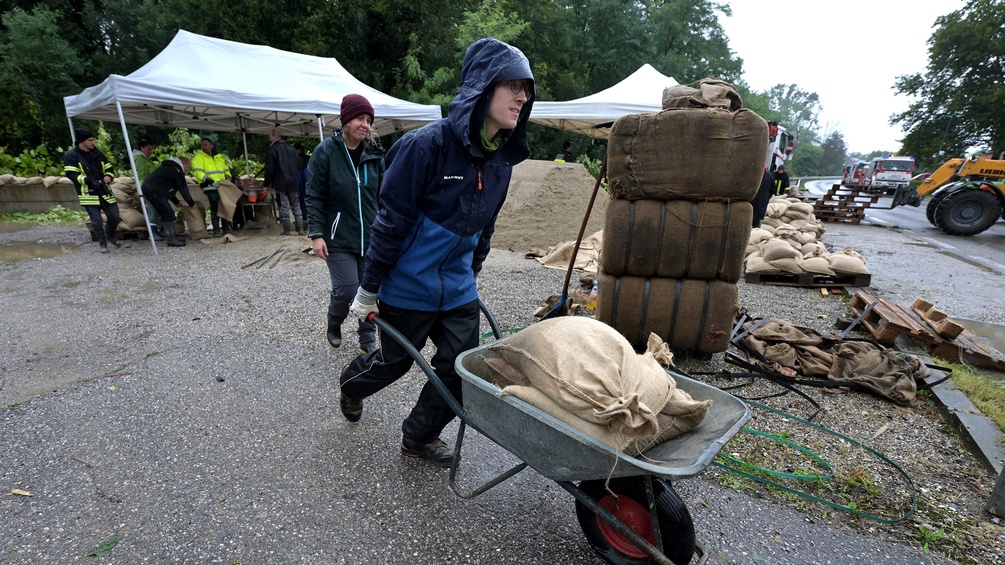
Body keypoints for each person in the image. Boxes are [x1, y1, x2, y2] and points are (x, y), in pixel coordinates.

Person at [338, 38, 535, 467]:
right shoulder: (425, 146)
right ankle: (352, 386)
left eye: (526, 88)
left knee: (463, 370)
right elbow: (390, 223)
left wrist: (472, 272)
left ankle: (418, 436)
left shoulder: (501, 160)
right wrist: (368, 288)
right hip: (409, 288)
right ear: (483, 87)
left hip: (458, 290)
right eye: (513, 85)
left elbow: (486, 227)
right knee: (393, 365)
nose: (523, 96)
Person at [306, 94, 385, 353]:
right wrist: (317, 234)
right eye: (360, 118)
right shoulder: (326, 152)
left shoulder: (375, 153)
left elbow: (384, 195)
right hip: (338, 237)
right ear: (346, 120)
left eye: (369, 120)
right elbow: (314, 195)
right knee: (347, 288)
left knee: (369, 290)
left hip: (371, 236)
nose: (365, 124)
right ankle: (334, 320)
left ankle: (367, 341)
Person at [63, 128, 121, 253]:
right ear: (81, 141)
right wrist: (89, 181)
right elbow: (72, 175)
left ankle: (110, 235)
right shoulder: (70, 156)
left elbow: (109, 167)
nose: (92, 143)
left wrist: (109, 176)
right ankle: (102, 243)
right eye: (90, 140)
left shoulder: (98, 153)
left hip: (104, 191)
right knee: (97, 221)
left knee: (115, 216)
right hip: (88, 193)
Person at [141, 156, 195, 247]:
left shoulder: (169, 168)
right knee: (168, 213)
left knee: (161, 212)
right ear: (183, 164)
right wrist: (191, 203)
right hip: (154, 191)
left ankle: (170, 236)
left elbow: (167, 187)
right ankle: (171, 239)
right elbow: (183, 190)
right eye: (187, 167)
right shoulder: (177, 171)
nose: (187, 169)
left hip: (149, 189)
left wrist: (175, 201)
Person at [264, 129, 304, 236]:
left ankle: (287, 231)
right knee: (296, 204)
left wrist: (266, 184)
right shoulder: (291, 148)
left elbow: (269, 168)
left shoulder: (273, 149)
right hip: (293, 181)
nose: (268, 138)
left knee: (283, 205)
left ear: (274, 136)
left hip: (280, 182)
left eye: (269, 136)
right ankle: (300, 230)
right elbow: (300, 164)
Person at [191, 137, 230, 236]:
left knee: (225, 205)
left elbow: (226, 169)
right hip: (209, 186)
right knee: (215, 206)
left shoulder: (219, 157)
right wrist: (211, 181)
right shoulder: (198, 158)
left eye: (206, 144)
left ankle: (226, 228)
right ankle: (217, 230)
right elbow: (198, 173)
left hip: (222, 185)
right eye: (202, 145)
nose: (204, 147)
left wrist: (228, 178)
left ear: (211, 145)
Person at [132, 136, 164, 241]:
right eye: (149, 149)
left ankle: (154, 232)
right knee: (153, 211)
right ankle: (152, 233)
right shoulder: (140, 159)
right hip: (147, 188)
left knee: (153, 211)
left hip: (149, 187)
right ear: (142, 148)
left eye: (152, 149)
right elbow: (141, 175)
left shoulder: (143, 158)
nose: (151, 152)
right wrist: (145, 188)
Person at [294, 142, 310, 222]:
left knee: (301, 200)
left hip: (301, 183)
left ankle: (303, 218)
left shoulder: (295, 159)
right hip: (307, 184)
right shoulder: (308, 158)